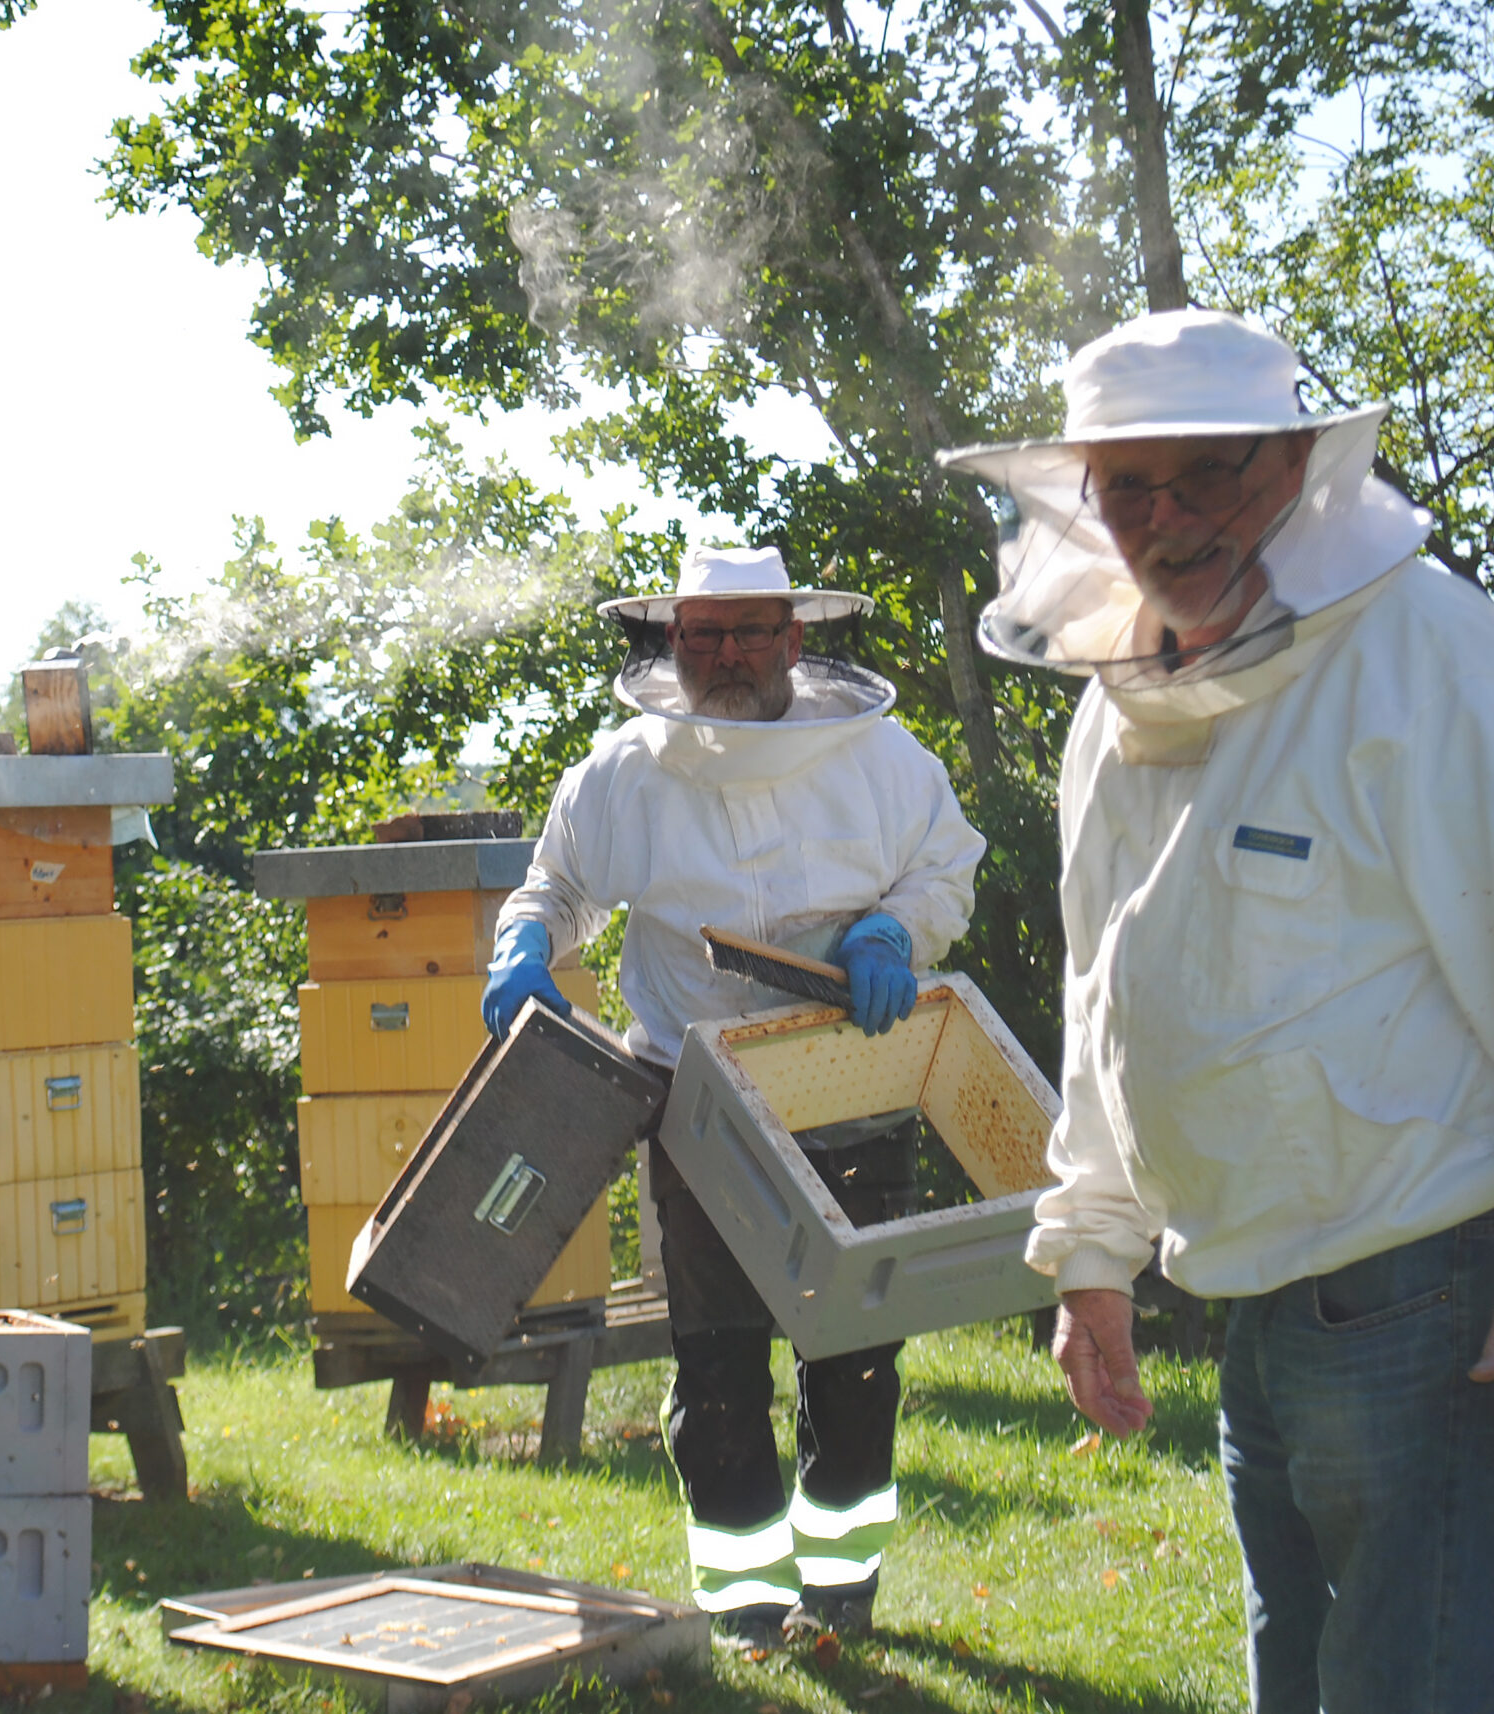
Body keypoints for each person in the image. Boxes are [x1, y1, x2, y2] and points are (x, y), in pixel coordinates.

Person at [940, 308, 1494, 1712]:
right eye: (1127, 485)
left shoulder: (1424, 648)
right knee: (1297, 1675)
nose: (1165, 517)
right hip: (1251, 1296)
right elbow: (1105, 998)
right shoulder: (1113, 699)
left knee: (1414, 1680)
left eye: (1207, 473)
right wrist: (1092, 1254)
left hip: (1427, 1283)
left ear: (1299, 463)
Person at [484, 545, 984, 1644]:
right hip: (693, 1092)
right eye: (701, 634)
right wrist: (523, 940)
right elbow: (556, 885)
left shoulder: (884, 758)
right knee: (716, 1355)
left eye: (748, 631)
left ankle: (843, 1593)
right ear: (671, 642)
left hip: (850, 1078)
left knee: (853, 1350)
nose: (724, 655)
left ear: (794, 640)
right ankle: (746, 1603)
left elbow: (943, 866)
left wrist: (895, 927)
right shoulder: (623, 770)